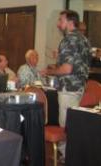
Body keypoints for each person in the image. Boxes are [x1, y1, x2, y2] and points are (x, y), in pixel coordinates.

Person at [41, 10, 91, 160]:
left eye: (61, 20)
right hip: (79, 87)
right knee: (74, 123)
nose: (58, 23)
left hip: (68, 88)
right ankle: (70, 155)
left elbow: (67, 69)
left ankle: (66, 156)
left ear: (70, 22)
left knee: (66, 125)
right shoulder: (83, 39)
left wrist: (50, 71)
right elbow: (78, 64)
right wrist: (60, 58)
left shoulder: (68, 40)